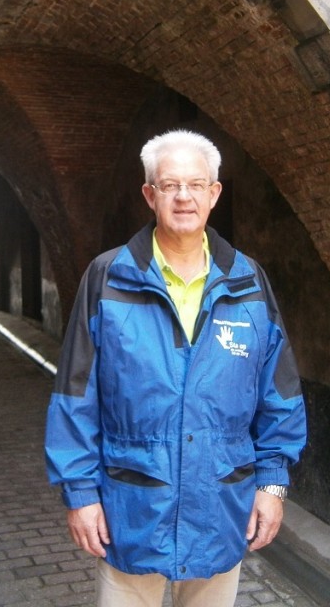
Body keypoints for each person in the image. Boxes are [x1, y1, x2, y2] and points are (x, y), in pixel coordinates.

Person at [44, 129, 308, 607]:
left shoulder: (248, 283)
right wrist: (80, 493)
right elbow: (74, 396)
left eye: (195, 184)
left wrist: (273, 482)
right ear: (150, 195)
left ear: (214, 193)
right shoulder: (108, 278)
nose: (183, 196)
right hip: (132, 508)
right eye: (169, 185)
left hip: (219, 505)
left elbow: (280, 391)